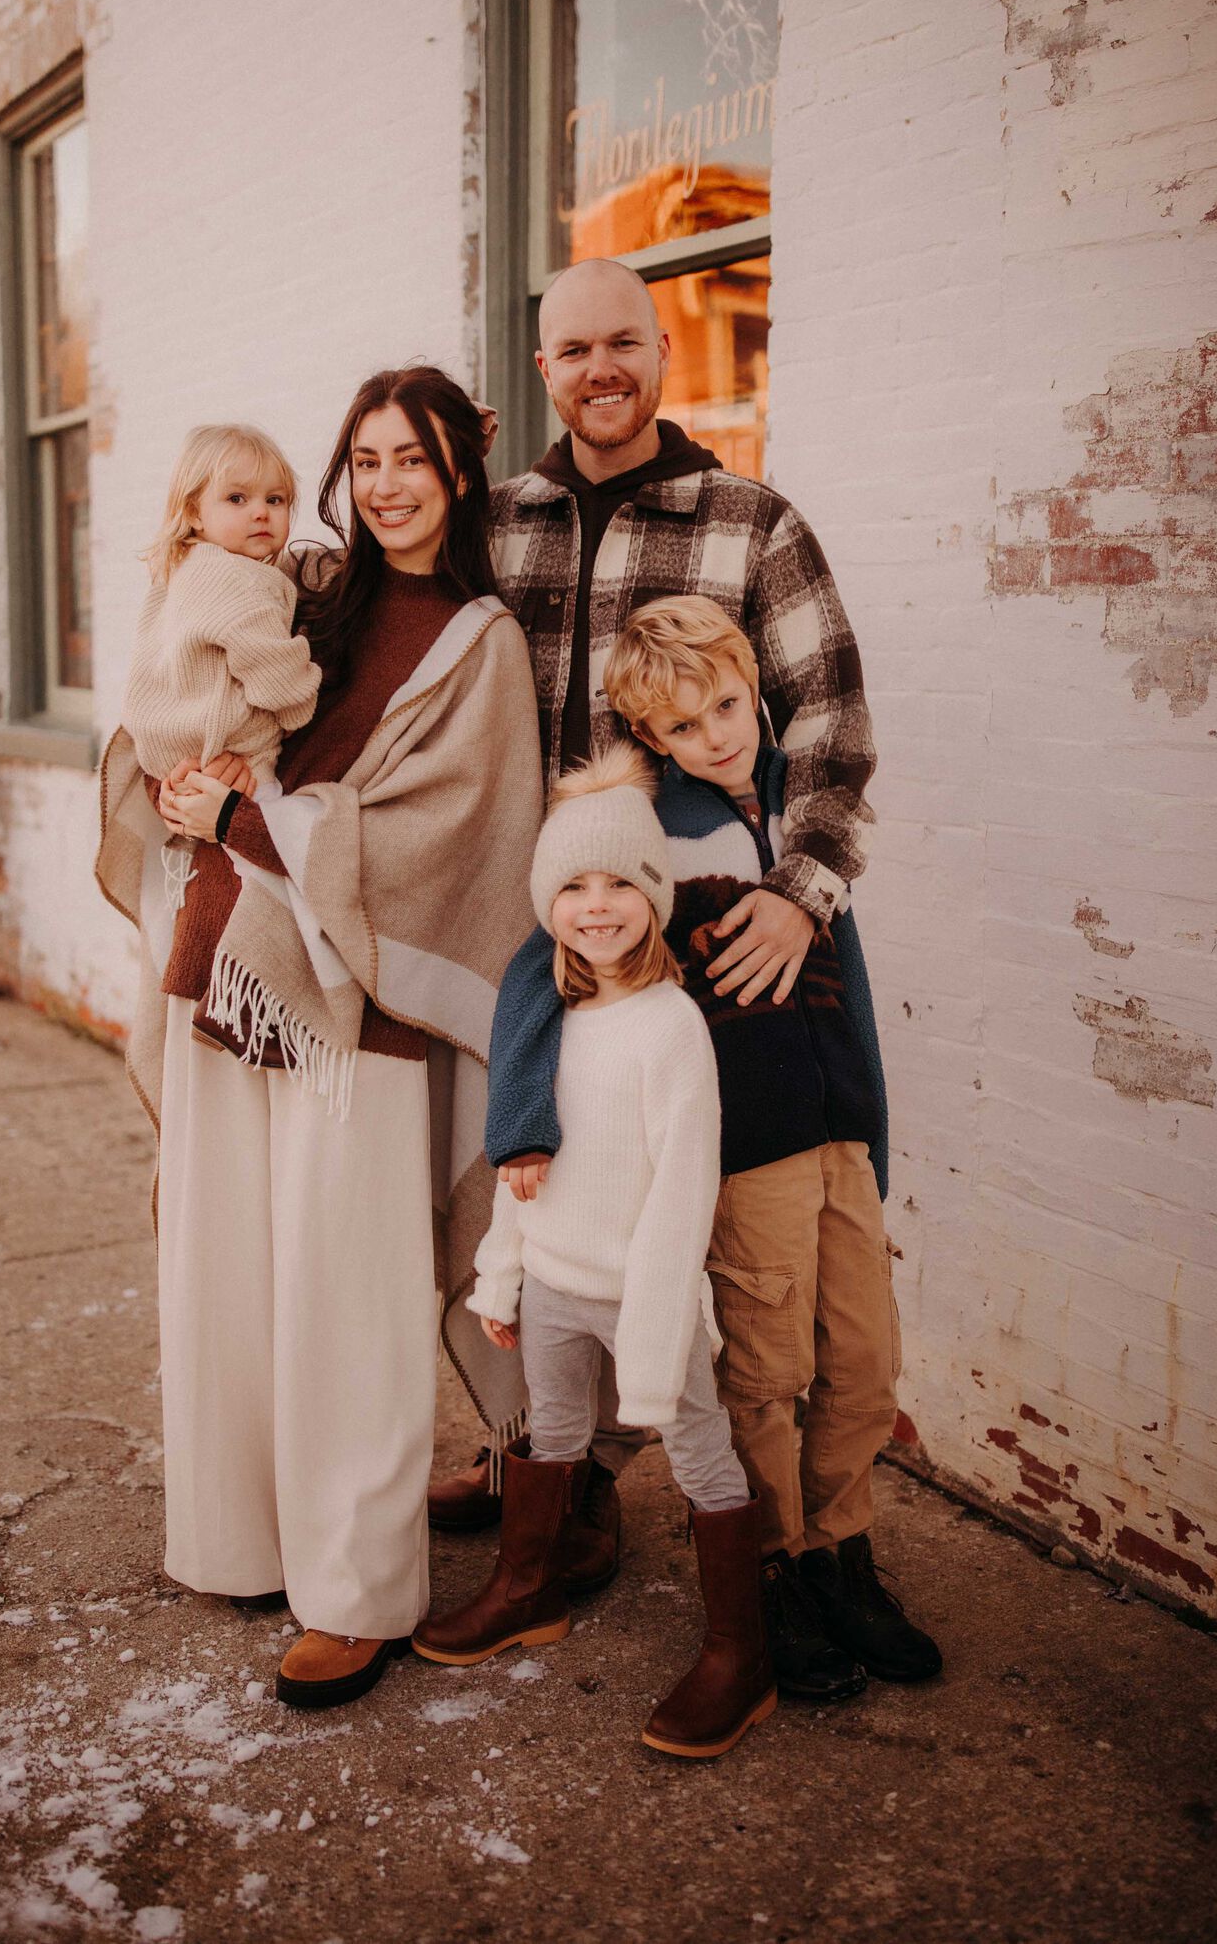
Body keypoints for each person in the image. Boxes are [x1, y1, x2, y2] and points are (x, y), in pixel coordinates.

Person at [431, 255, 879, 1602]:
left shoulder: (751, 520)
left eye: (622, 340)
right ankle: (544, 1460)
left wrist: (800, 900)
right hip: (561, 948)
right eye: (572, 350)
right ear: (543, 368)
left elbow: (831, 726)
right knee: (533, 1202)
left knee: (712, 1227)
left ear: (663, 348)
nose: (599, 368)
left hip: (722, 949)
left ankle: (772, 1540)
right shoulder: (496, 526)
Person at [95, 367, 542, 1710]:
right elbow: (184, 643)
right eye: (366, 457)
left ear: (460, 473)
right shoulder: (311, 594)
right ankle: (239, 1535)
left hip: (364, 1001)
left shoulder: (481, 641)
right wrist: (187, 787)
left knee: (344, 1299)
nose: (387, 481)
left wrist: (252, 820)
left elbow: (449, 837)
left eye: (414, 457)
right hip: (234, 959)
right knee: (226, 1264)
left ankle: (354, 1589)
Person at [489, 595, 941, 1697]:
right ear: (650, 739)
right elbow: (537, 968)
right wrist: (522, 1124)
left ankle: (844, 1554)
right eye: (686, 727)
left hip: (836, 1119)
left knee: (862, 1360)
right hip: (747, 1141)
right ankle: (777, 1568)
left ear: (754, 688)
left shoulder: (804, 801)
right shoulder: (651, 829)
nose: (718, 736)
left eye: (729, 707)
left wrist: (874, 1125)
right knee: (770, 1367)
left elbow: (849, 976)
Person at [413, 745, 776, 1760]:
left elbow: (680, 1197)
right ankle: (526, 1591)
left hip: (645, 1294)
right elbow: (522, 1170)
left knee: (701, 1455)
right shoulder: (549, 1023)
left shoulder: (670, 1030)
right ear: (546, 902)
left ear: (654, 897)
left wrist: (659, 1337)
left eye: (620, 882)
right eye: (573, 885)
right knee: (552, 1434)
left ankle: (738, 1655)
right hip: (558, 1289)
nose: (597, 904)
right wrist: (500, 1275)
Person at [121, 423, 320, 868]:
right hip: (240, 763)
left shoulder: (178, 571)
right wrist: (301, 703)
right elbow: (279, 682)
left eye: (276, 499)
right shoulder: (239, 581)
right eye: (237, 499)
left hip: (177, 762)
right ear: (194, 511)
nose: (261, 513)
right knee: (280, 872)